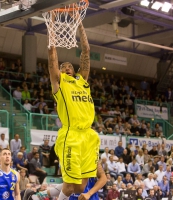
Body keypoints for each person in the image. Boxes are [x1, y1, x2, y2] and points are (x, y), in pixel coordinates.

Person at [48, 20, 100, 200]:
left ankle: (42, 193)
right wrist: (51, 30)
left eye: (70, 66)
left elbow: (86, 51)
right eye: (64, 67)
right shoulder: (59, 83)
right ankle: (42, 195)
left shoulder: (82, 81)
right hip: (71, 135)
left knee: (79, 188)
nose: (67, 68)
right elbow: (52, 57)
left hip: (89, 135)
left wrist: (79, 23)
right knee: (70, 186)